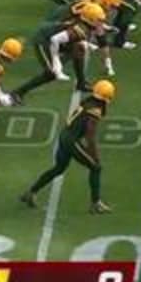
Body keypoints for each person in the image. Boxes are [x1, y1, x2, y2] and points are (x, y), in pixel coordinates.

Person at [20, 80, 117, 214]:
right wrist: (94, 154)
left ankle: (31, 192)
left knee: (59, 168)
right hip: (71, 141)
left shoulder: (88, 101)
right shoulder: (95, 109)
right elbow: (90, 135)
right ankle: (96, 203)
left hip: (65, 135)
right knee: (96, 167)